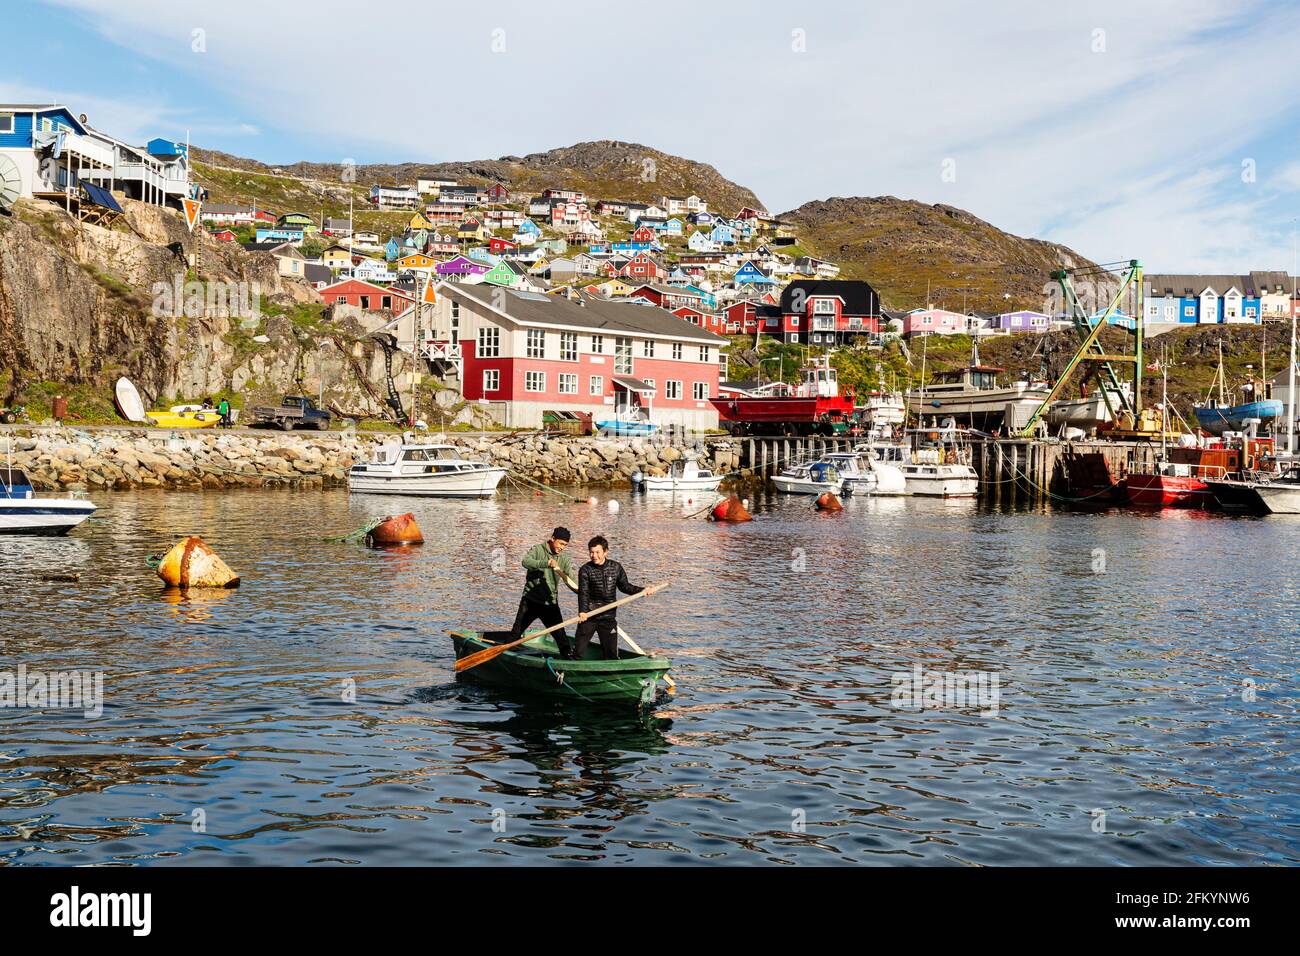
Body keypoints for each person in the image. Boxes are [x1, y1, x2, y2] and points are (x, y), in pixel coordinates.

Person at [574, 536, 659, 660]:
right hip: (589, 616)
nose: (594, 555)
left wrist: (642, 590)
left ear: (605, 552)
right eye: (591, 552)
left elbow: (625, 587)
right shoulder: (585, 570)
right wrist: (582, 611)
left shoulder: (615, 567)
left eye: (597, 552)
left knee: (611, 656)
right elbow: (584, 592)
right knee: (578, 652)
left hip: (608, 617)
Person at [512, 527, 576, 658]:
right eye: (561, 543)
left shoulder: (564, 559)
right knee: (515, 634)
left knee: (562, 639)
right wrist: (546, 563)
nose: (562, 547)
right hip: (530, 602)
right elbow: (525, 562)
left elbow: (571, 580)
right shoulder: (537, 549)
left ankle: (568, 661)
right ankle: (505, 656)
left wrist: (583, 591)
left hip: (550, 604)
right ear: (552, 539)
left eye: (565, 545)